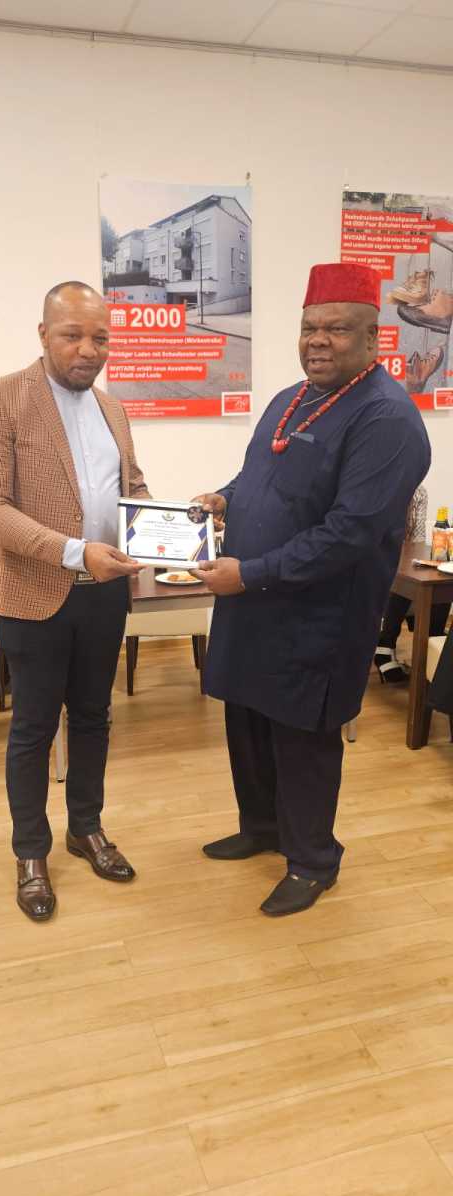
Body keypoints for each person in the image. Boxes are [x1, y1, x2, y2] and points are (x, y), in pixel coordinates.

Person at [193, 263, 431, 917]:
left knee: (302, 739)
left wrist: (249, 573)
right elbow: (258, 476)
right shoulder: (290, 398)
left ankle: (313, 860)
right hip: (254, 604)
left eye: (336, 328)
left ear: (373, 337)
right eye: (309, 328)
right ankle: (262, 828)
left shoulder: (386, 418)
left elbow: (349, 533)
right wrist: (224, 498)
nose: (318, 340)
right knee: (247, 721)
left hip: (317, 616)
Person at [0, 281, 149, 921]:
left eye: (100, 337)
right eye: (73, 335)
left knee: (94, 717)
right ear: (44, 334)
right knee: (34, 728)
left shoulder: (113, 409)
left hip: (105, 596)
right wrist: (75, 551)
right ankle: (31, 853)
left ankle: (86, 828)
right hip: (33, 595)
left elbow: (133, 488)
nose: (88, 349)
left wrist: (168, 530)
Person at [374, 485, 450, 683]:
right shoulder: (374, 486)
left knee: (439, 576)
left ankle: (430, 644)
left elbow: (416, 541)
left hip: (401, 559)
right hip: (371, 560)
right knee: (399, 573)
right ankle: (387, 645)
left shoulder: (418, 492)